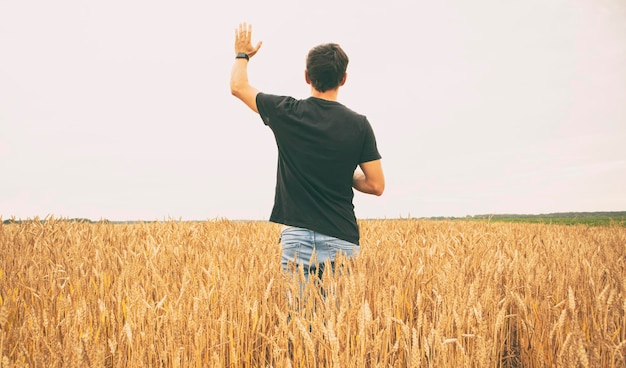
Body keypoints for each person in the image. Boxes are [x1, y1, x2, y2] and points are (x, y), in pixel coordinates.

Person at [230, 22, 385, 281]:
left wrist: (241, 54)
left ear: (306, 76)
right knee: (340, 320)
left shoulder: (286, 112)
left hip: (297, 239)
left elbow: (238, 86)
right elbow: (376, 185)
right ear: (343, 79)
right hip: (342, 237)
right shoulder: (359, 125)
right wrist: (342, 172)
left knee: (299, 319)